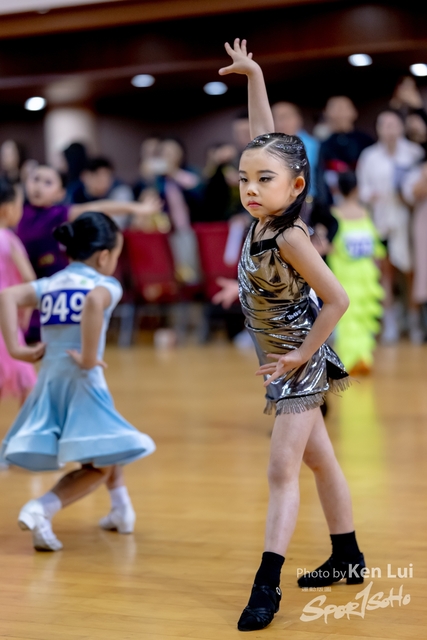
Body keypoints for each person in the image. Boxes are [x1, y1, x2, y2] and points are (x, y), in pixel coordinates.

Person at [218, 39, 364, 632]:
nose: (251, 187)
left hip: (299, 363)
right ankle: (348, 557)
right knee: (321, 463)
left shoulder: (289, 235)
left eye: (265, 179)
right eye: (245, 178)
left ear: (297, 187)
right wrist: (254, 75)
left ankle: (266, 586)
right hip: (282, 362)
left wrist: (303, 354)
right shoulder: (259, 220)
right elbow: (265, 138)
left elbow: (339, 299)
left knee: (282, 472)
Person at [0, 211, 156, 551]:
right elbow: (94, 302)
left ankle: (121, 510)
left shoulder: (51, 283)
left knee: (109, 443)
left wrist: (17, 350)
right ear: (104, 256)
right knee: (101, 464)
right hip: (84, 381)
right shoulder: (105, 285)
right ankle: (41, 509)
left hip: (50, 384)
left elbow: (8, 296)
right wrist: (87, 357)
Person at [16, 164, 160, 341]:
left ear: (60, 193)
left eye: (48, 182)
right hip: (21, 282)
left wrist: (136, 208)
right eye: (35, 179)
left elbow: (99, 207)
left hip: (53, 286)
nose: (38, 186)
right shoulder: (17, 212)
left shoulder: (59, 213)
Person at [357, 110, 424, 344]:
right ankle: (391, 323)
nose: (389, 129)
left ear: (402, 127)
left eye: (394, 124)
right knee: (385, 272)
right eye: (384, 124)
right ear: (378, 129)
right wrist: (372, 195)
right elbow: (362, 189)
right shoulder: (369, 156)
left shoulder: (414, 153)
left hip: (408, 221)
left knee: (411, 272)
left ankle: (414, 321)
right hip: (380, 221)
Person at [327, 172, 386, 374]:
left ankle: (352, 358)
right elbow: (376, 248)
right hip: (365, 275)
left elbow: (330, 246)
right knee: (363, 317)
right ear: (356, 189)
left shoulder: (334, 215)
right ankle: (362, 357)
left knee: (347, 317)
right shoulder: (365, 214)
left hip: (344, 275)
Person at [0, 179, 37, 403]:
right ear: (7, 209)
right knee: (26, 381)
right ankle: (25, 424)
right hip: (5, 319)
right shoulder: (9, 240)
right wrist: (26, 311)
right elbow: (29, 279)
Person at [317, 96, 374, 204]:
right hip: (334, 203)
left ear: (354, 112)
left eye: (343, 108)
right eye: (335, 108)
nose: (340, 113)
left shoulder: (366, 141)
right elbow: (320, 179)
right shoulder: (323, 146)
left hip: (365, 201)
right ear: (326, 113)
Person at [70, 156, 135, 230]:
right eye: (98, 177)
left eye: (107, 177)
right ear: (84, 176)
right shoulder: (74, 193)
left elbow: (115, 225)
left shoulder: (120, 191)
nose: (103, 182)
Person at [272, 101, 319, 197]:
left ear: (298, 119)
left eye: (284, 117)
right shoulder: (267, 146)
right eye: (275, 118)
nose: (280, 123)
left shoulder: (314, 146)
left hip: (308, 199)